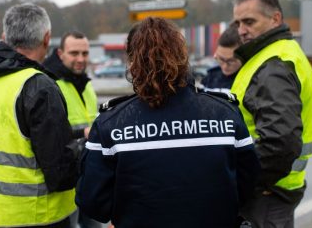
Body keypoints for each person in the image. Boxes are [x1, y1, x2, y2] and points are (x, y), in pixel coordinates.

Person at [75, 17, 260, 228]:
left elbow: (93, 204)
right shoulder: (226, 114)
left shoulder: (111, 124)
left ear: (133, 62)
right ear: (182, 56)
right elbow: (247, 187)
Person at [0, 3, 78, 228]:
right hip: (38, 215)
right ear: (47, 38)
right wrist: (83, 149)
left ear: (5, 36)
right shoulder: (38, 86)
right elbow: (60, 171)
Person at [231, 0, 312, 228]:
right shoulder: (276, 55)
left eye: (249, 21)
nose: (241, 30)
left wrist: (242, 182)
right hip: (273, 191)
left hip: (267, 194)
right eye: (238, 23)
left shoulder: (274, 64)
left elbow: (280, 143)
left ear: (276, 19)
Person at [43, 31, 101, 228]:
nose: (80, 59)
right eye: (74, 53)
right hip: (67, 178)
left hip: (90, 174)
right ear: (60, 54)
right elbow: (48, 135)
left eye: (85, 54)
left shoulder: (85, 83)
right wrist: (83, 133)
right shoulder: (50, 85)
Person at [200, 23, 242, 94]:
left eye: (230, 61)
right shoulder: (210, 77)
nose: (225, 66)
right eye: (221, 59)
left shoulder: (251, 81)